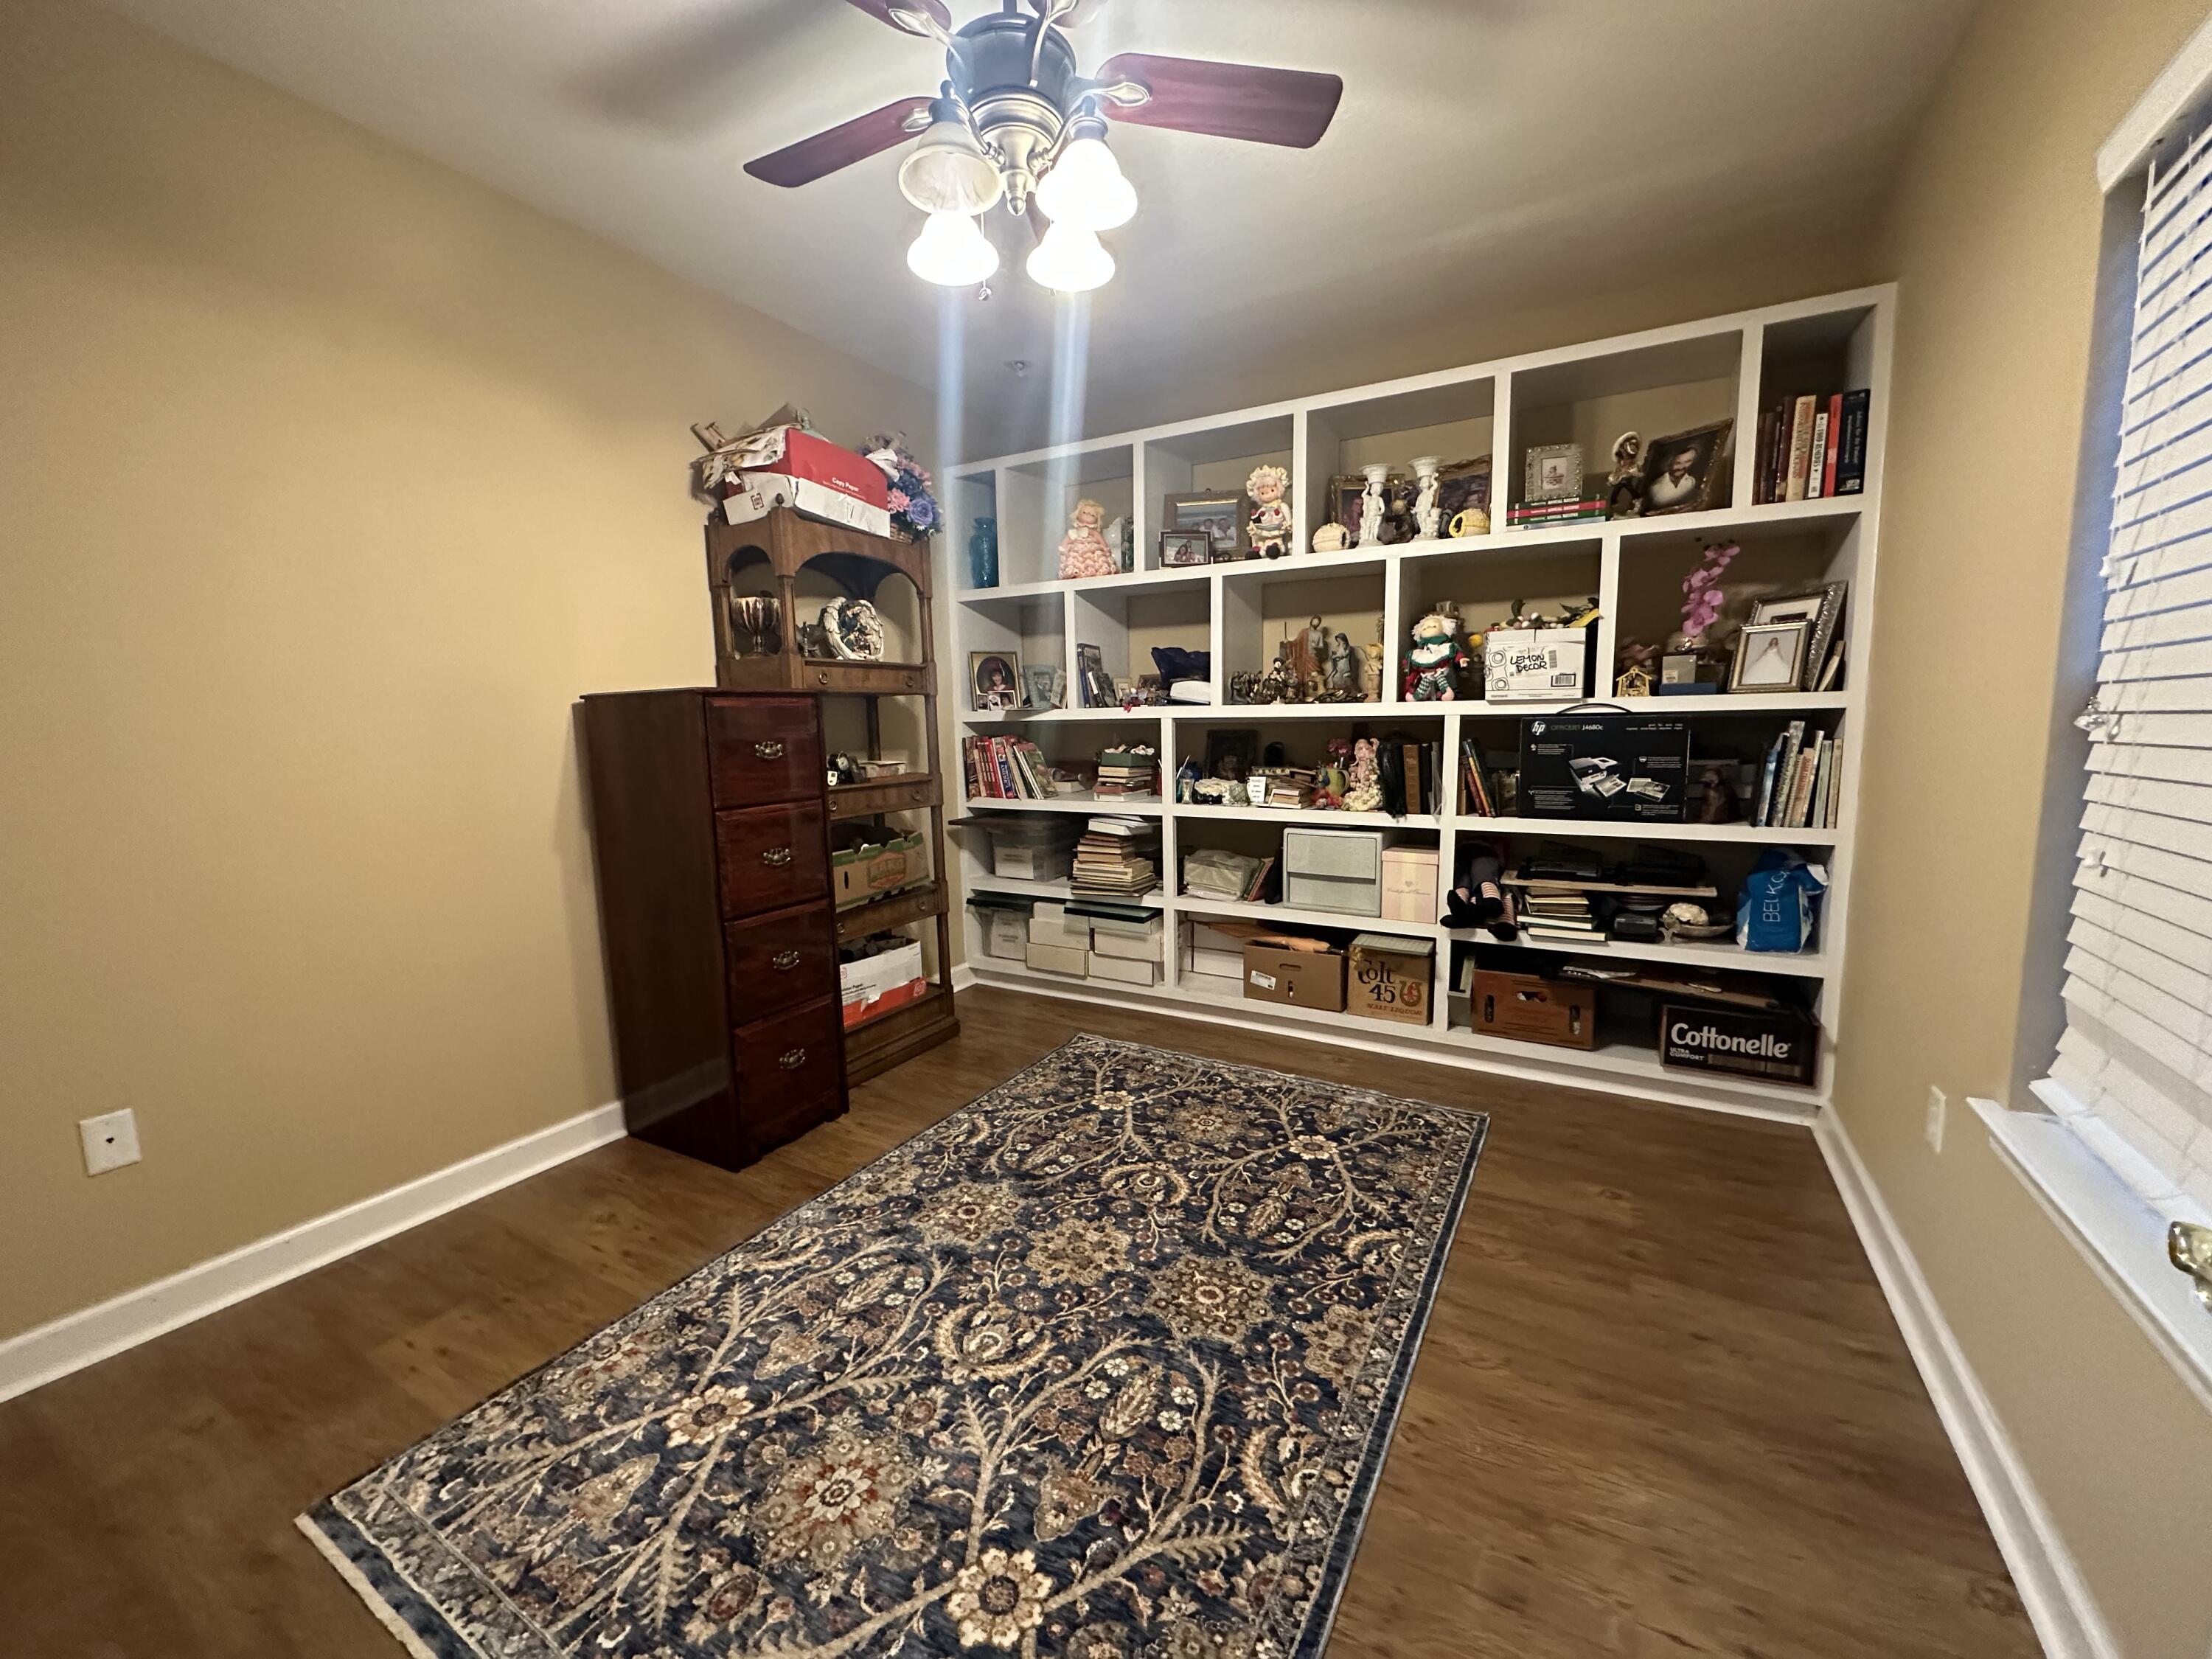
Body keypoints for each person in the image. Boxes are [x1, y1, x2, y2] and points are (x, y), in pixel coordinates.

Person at [1646, 443, 1704, 511]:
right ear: (1669, 463)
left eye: (1688, 462)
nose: (1682, 467)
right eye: (1678, 463)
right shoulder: (1655, 487)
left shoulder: (1692, 481)